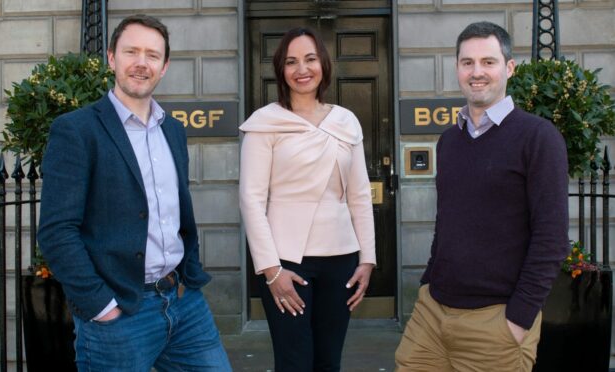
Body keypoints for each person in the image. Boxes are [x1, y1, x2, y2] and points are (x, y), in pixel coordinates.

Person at [37, 14, 232, 371]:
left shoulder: (172, 130)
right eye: (132, 52)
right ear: (111, 58)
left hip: (183, 303)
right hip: (120, 312)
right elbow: (56, 230)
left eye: (152, 55)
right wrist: (99, 305)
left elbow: (177, 214)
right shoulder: (76, 130)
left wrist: (190, 274)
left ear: (165, 66)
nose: (142, 63)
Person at [395, 21, 569, 372]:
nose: (477, 72)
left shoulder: (538, 137)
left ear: (509, 68)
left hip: (496, 322)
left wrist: (518, 319)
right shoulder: (449, 141)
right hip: (432, 315)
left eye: (488, 62)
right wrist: (428, 282)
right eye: (467, 62)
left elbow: (551, 238)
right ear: (457, 68)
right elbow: (447, 222)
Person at [239, 27, 376, 372]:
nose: (302, 69)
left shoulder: (346, 122)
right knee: (294, 362)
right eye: (291, 61)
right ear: (281, 70)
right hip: (285, 262)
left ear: (323, 65)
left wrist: (368, 260)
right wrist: (271, 271)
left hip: (342, 260)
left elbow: (359, 195)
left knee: (329, 361)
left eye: (310, 59)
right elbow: (251, 201)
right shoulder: (265, 123)